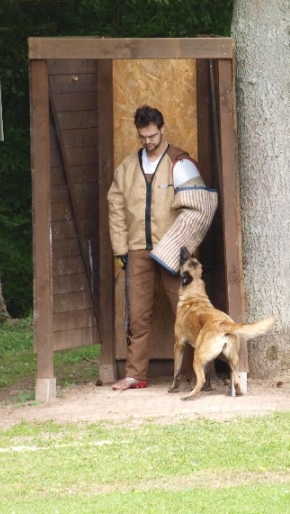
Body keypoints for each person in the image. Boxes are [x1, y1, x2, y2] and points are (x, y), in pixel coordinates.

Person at [107, 105, 216, 391]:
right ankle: (135, 374)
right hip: (137, 249)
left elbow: (200, 207)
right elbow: (115, 207)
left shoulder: (180, 162)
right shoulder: (128, 167)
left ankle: (197, 373)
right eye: (142, 136)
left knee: (189, 314)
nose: (148, 141)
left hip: (173, 251)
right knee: (137, 315)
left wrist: (184, 247)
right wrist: (120, 249)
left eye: (152, 135)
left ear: (163, 129)